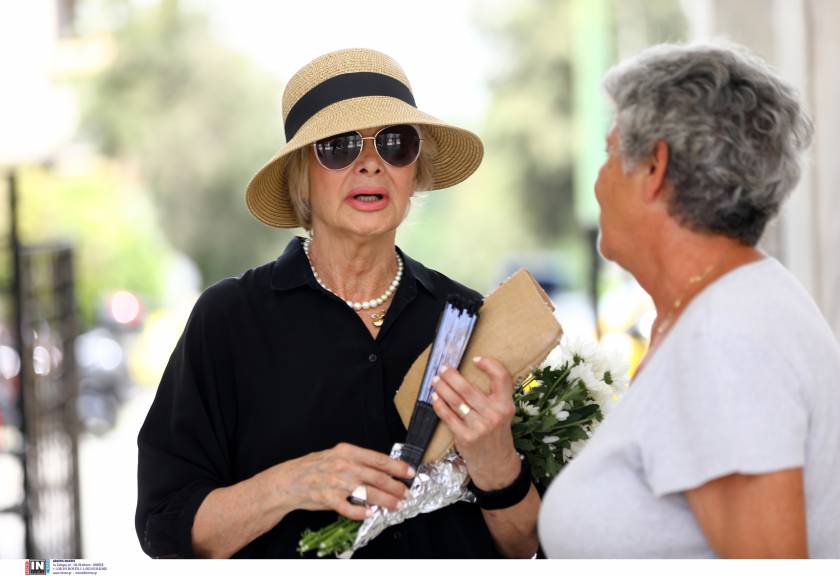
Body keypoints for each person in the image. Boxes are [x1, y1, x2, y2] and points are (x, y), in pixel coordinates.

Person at [135, 48, 539, 559]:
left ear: (415, 173)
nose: (371, 162)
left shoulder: (466, 318)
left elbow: (528, 546)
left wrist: (496, 461)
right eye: (338, 146)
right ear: (301, 175)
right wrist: (294, 484)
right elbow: (165, 528)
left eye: (395, 144)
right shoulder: (230, 320)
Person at [531, 43, 840, 558]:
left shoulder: (726, 339)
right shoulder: (730, 307)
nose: (598, 183)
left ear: (655, 166)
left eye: (609, 154)